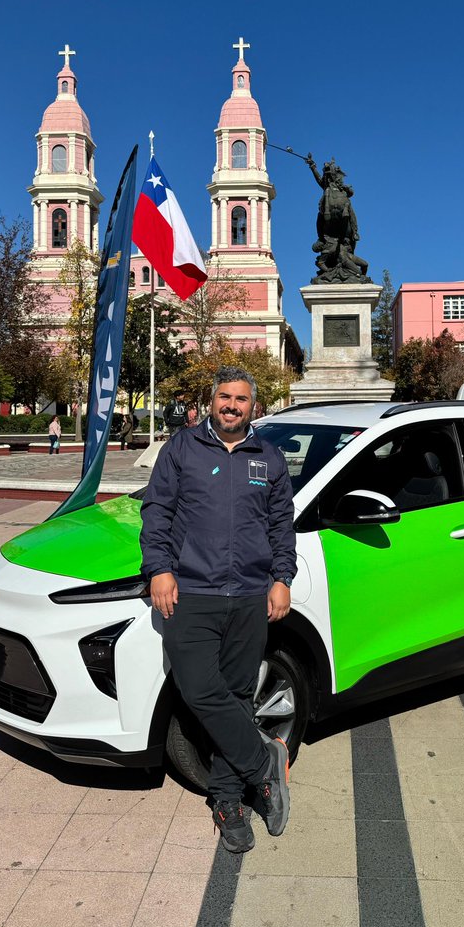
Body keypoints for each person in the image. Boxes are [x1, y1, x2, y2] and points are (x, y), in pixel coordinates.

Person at [140, 366, 297, 854]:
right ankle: (263, 762)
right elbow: (157, 511)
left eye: (242, 399)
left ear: (254, 406)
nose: (232, 405)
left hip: (250, 595)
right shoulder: (182, 449)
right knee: (198, 689)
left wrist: (281, 579)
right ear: (212, 402)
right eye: (225, 397)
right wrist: (159, 569)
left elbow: (281, 523)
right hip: (191, 594)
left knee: (234, 694)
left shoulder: (267, 457)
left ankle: (229, 801)